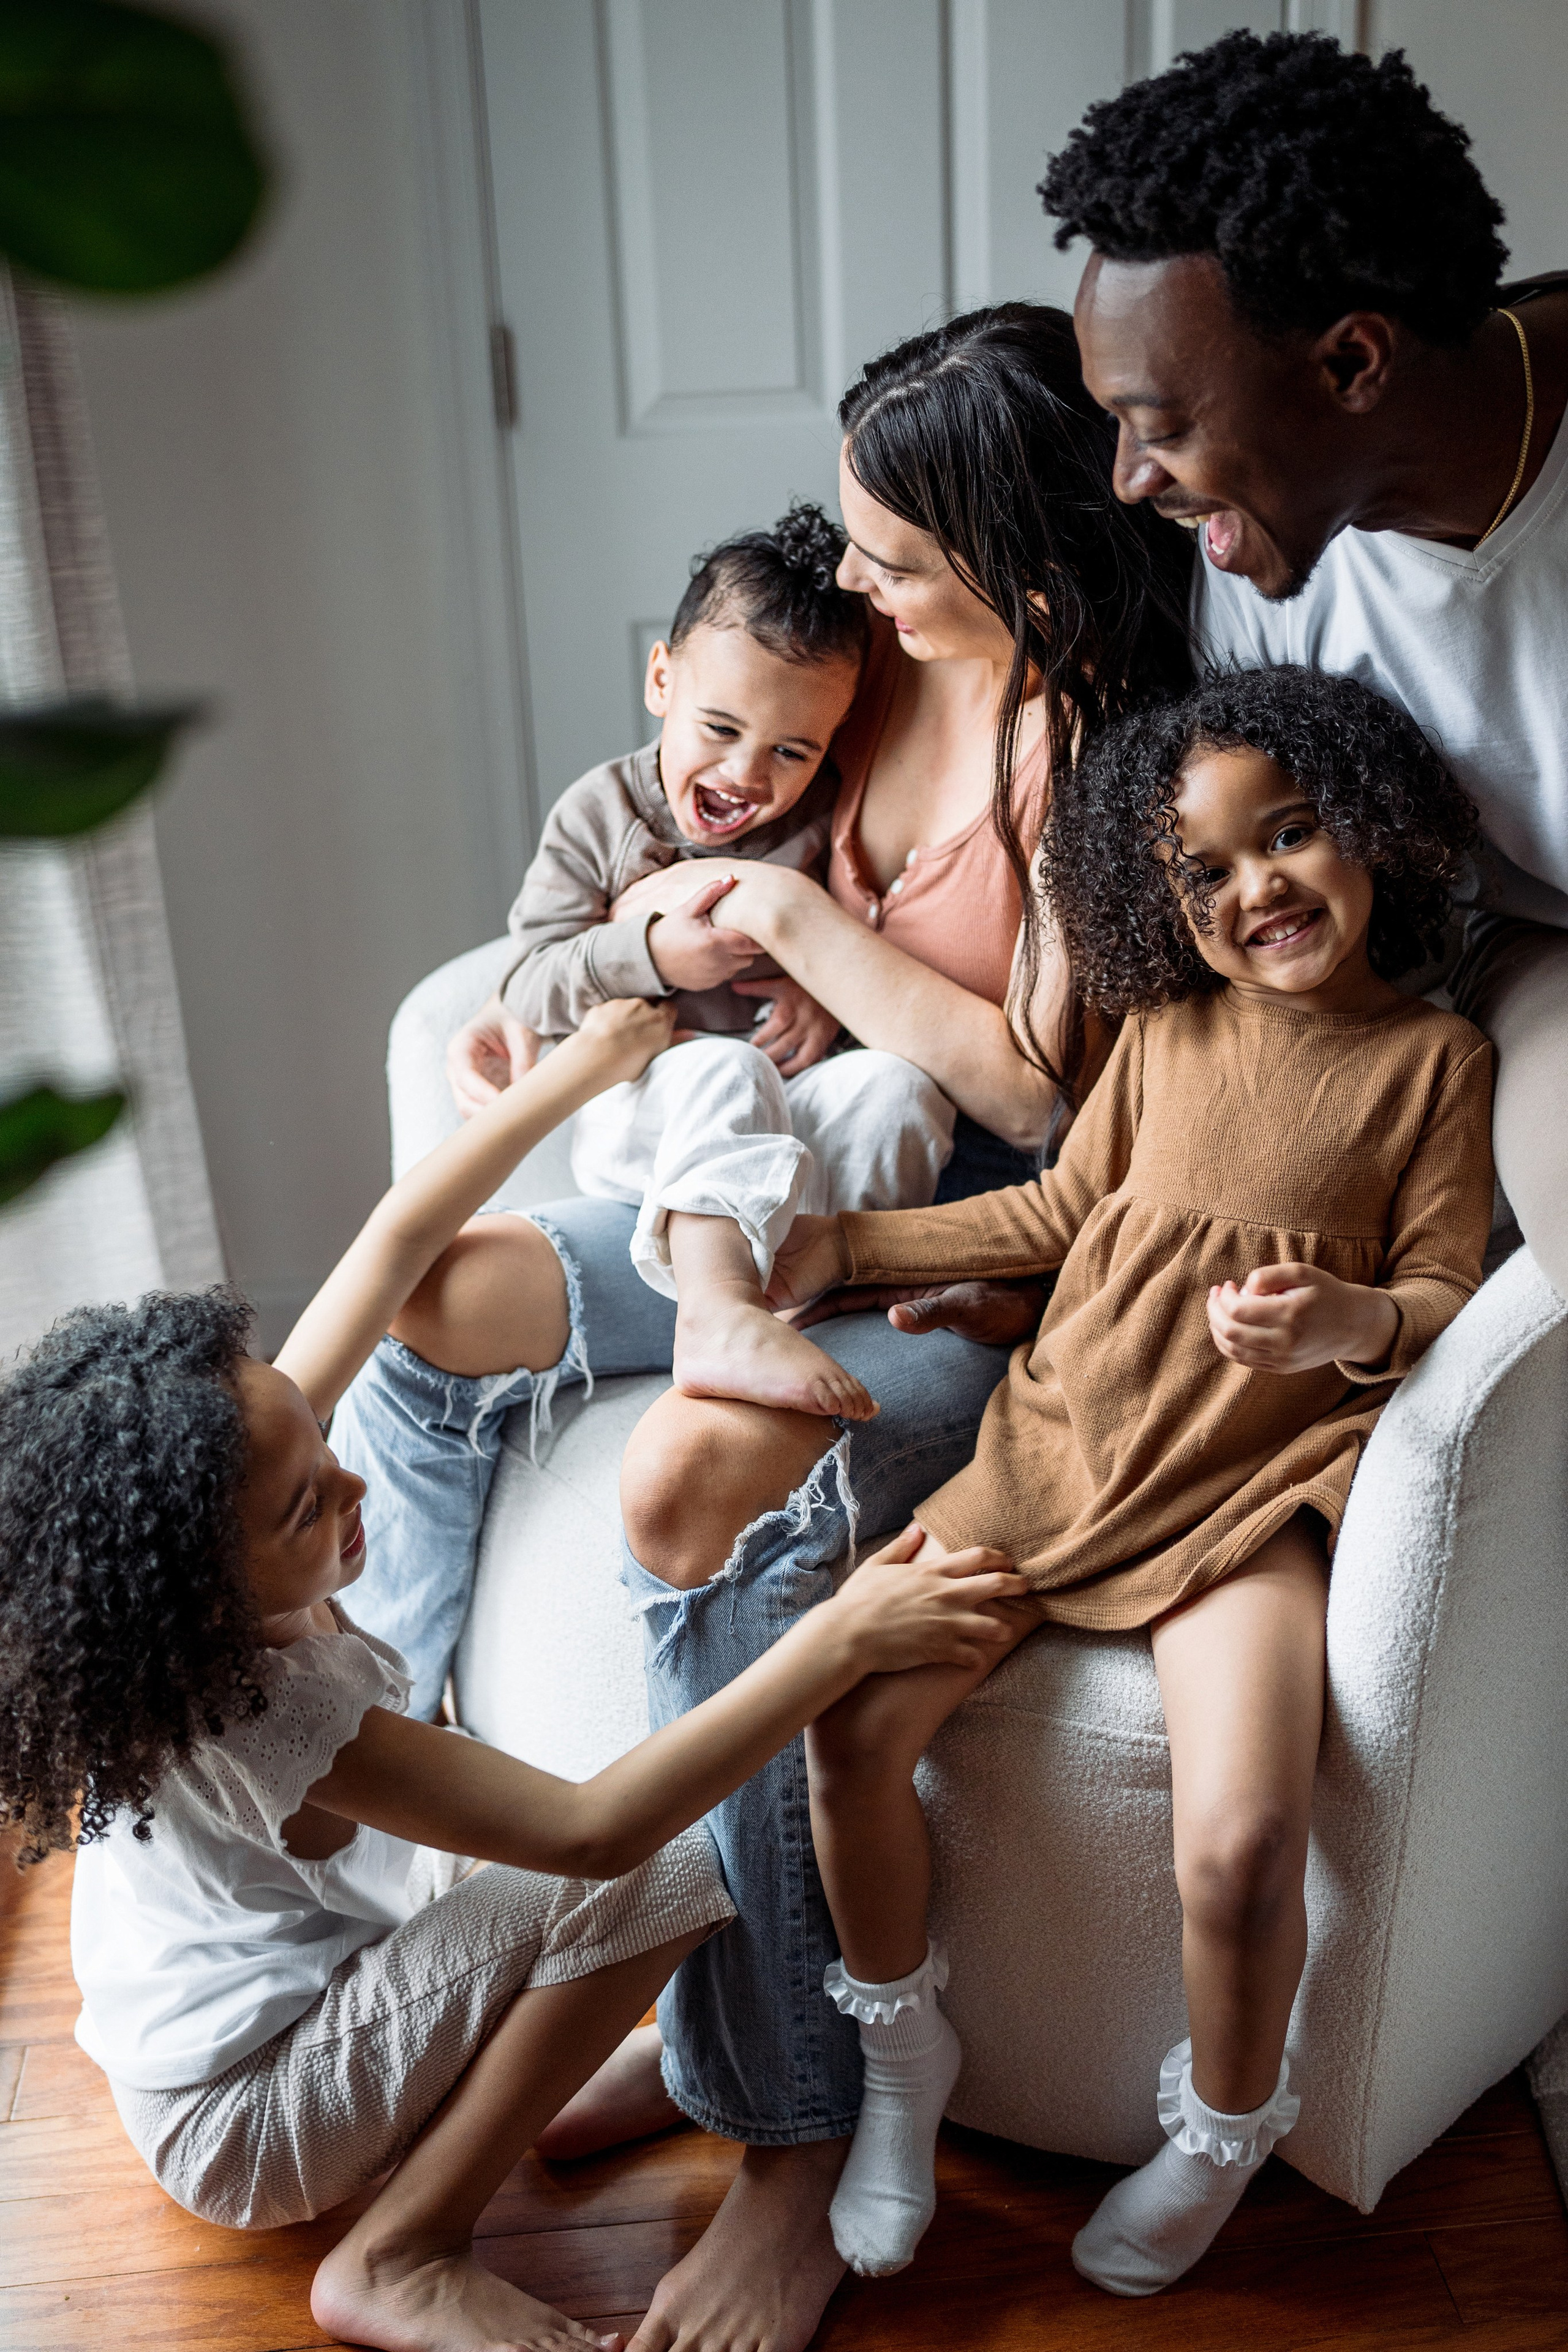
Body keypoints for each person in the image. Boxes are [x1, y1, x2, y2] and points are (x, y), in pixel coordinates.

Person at [0, 995, 1028, 2352]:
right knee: (669, 1866)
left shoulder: (230, 1501)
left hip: (244, 2014)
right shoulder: (266, 1708)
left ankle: (582, 2077)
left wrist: (570, 1081)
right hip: (249, 2121)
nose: (352, 1478)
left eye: (318, 1441)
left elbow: (396, 1240)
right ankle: (403, 2251)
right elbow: (594, 1831)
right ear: (202, 1594)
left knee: (579, 1880)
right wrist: (841, 1637)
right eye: (311, 1509)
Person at [331, 300, 1193, 1726]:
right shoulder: (870, 659)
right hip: (762, 1149)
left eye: (893, 554)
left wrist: (787, 918)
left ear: (1019, 573)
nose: (854, 574)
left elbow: (1037, 1094)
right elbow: (666, 799)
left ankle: (720, 1942)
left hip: (953, 1212)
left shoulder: (1095, 747)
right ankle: (377, 1775)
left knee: (680, 1476)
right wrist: (566, 970)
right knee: (423, 1306)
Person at [764, 666, 1493, 2293]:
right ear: (1161, 903)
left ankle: (1227, 2124)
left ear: (1369, 828)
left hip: (1249, 1502)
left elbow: (1445, 1293)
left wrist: (1349, 1318)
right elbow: (1055, 1219)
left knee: (1241, 1842)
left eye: (1291, 835)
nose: (1259, 890)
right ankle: (905, 2062)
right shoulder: (1164, 1030)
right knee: (850, 1725)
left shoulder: (1433, 1064)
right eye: (1206, 871)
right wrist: (848, 1241)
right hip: (1060, 1449)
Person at [1039, 26, 1568, 1308]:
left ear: (1348, 362)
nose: (1127, 480)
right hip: (1528, 946)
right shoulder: (1255, 575)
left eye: (1157, 428)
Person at [499, 499, 953, 1425]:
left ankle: (817, 1300)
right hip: (654, 1117)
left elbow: (856, 947)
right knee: (725, 1066)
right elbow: (526, 980)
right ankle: (717, 1312)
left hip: (789, 1138)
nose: (749, 775)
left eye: (792, 749)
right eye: (720, 728)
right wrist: (652, 952)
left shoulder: (826, 818)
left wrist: (817, 991)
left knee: (899, 1089)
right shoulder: (602, 813)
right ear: (662, 679)